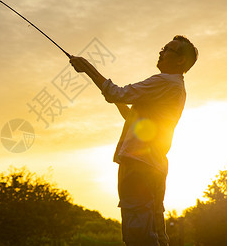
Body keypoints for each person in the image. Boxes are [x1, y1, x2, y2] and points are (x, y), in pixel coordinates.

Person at [70, 35, 198, 246]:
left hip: (138, 165)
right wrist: (117, 98)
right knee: (156, 232)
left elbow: (115, 93)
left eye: (168, 49)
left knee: (137, 235)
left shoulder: (164, 81)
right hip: (154, 166)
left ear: (180, 60)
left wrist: (88, 68)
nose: (161, 51)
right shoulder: (176, 88)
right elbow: (133, 119)